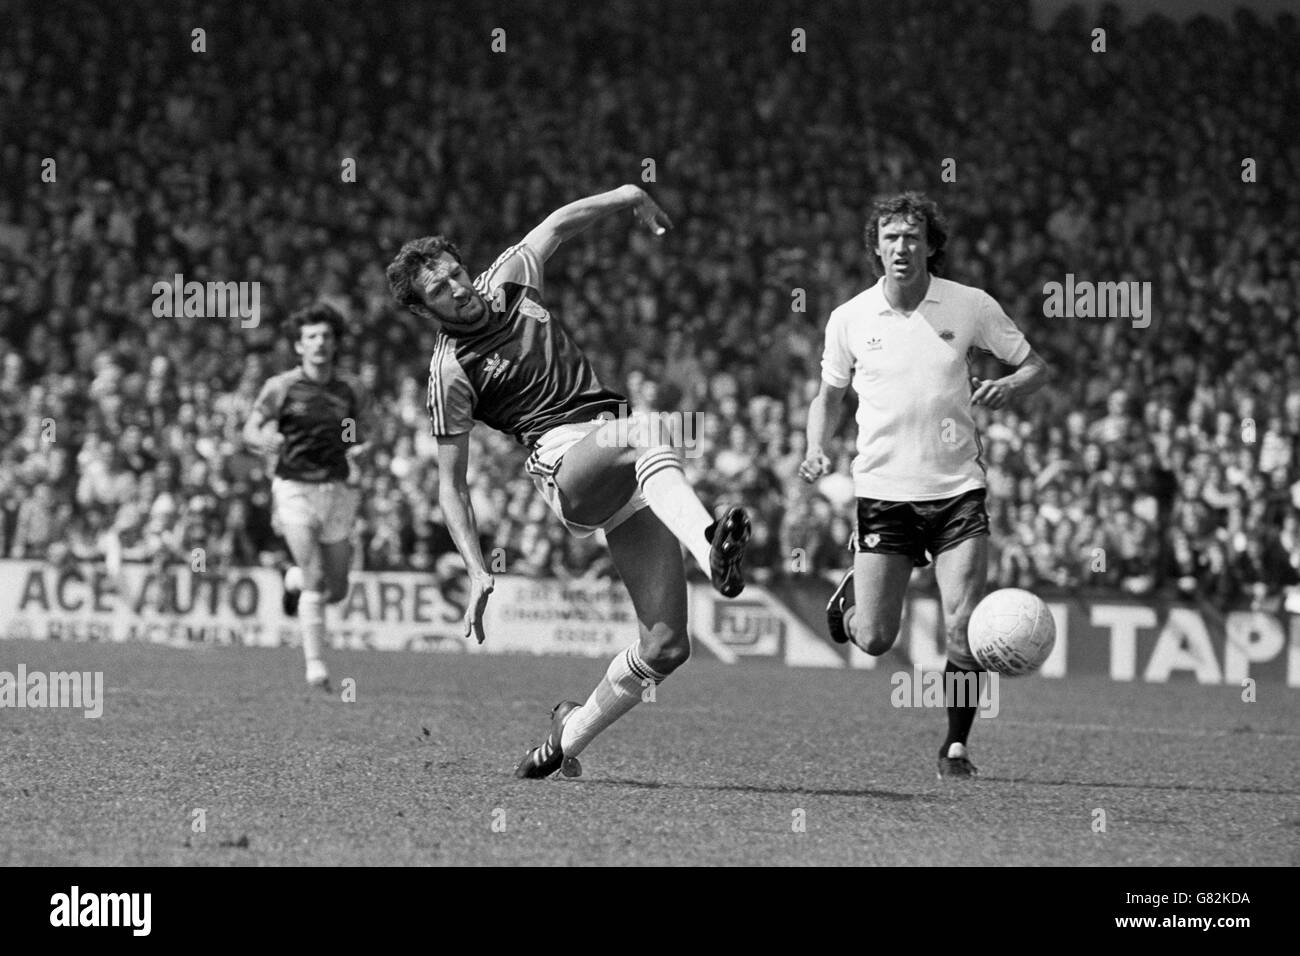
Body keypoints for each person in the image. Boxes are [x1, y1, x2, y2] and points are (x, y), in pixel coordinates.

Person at [386, 184, 750, 779]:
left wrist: (631, 193)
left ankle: (563, 740)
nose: (458, 290)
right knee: (647, 427)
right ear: (425, 312)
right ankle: (713, 552)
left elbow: (557, 224)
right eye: (439, 291)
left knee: (666, 647)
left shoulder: (508, 278)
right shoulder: (450, 370)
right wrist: (477, 568)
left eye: (456, 273)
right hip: (565, 464)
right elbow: (451, 484)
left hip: (629, 467)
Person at [800, 192, 1052, 778]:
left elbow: (1036, 366)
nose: (901, 247)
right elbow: (829, 397)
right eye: (890, 237)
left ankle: (956, 747)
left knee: (962, 625)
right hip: (883, 494)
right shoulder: (850, 318)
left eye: (912, 236)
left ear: (931, 245)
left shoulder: (969, 306)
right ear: (876, 249)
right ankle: (853, 601)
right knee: (875, 641)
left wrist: (1010, 387)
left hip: (958, 490)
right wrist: (815, 447)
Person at [242, 303, 371, 691]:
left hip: (338, 489)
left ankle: (293, 579)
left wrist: (359, 448)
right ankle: (316, 667)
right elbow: (250, 428)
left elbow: (366, 429)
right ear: (299, 346)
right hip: (294, 487)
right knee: (318, 577)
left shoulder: (351, 388)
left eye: (326, 337)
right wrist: (266, 439)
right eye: (311, 337)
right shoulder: (281, 387)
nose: (319, 343)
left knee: (337, 589)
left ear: (334, 345)